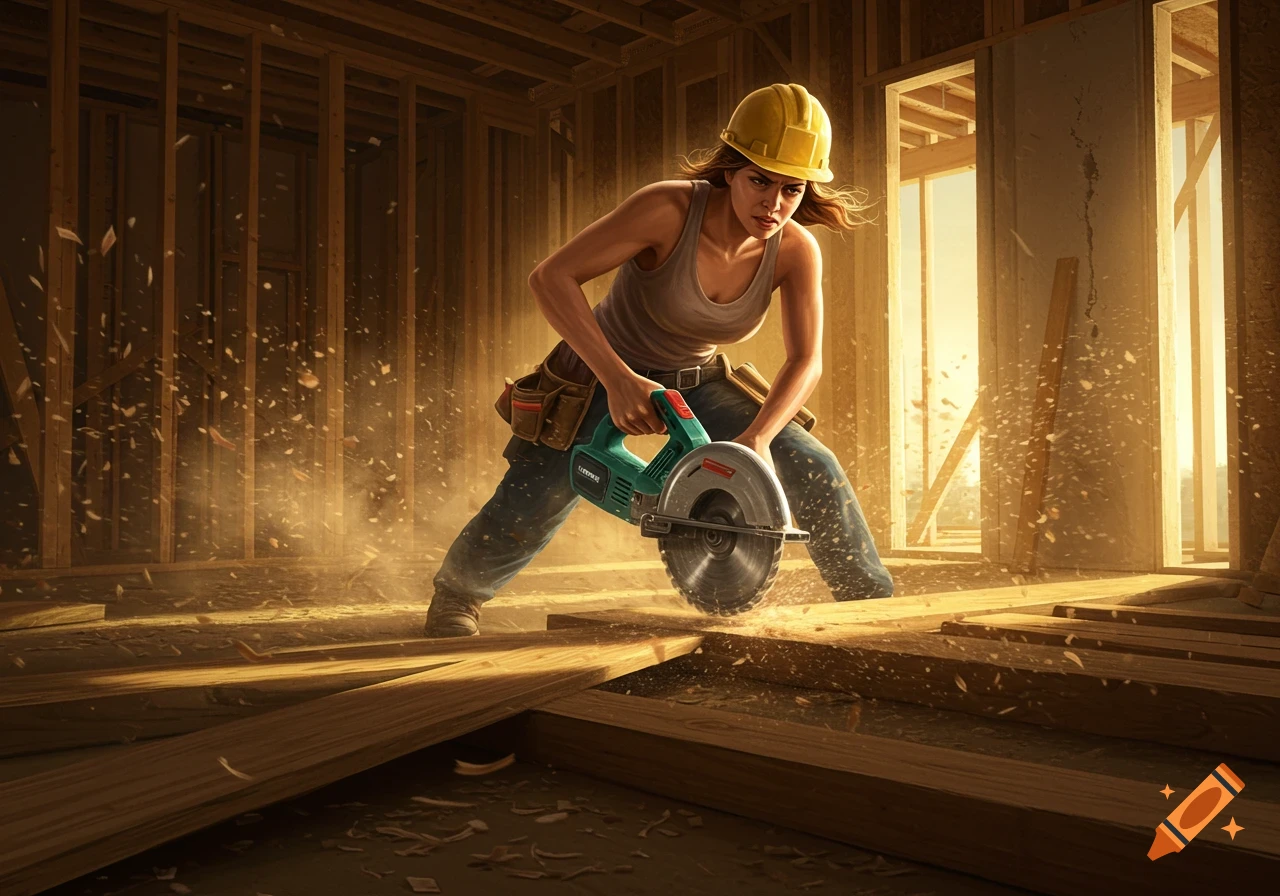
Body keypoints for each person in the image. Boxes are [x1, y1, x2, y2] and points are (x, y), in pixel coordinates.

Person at [425, 82, 894, 637]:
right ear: (731, 170)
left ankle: (871, 603)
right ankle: (458, 596)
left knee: (812, 463)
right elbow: (550, 278)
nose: (773, 205)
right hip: (598, 369)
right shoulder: (668, 209)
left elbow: (805, 359)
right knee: (537, 496)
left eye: (791, 189)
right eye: (759, 181)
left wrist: (759, 438)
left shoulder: (794, 249)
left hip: (696, 381)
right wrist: (618, 380)